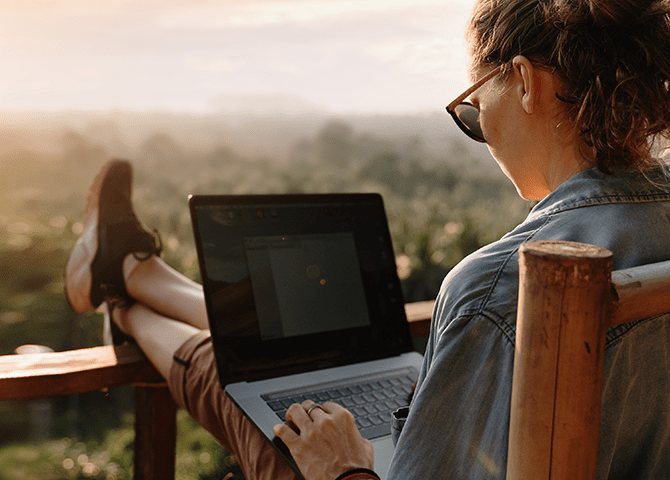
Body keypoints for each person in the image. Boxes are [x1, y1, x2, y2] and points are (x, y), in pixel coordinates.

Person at [64, 0, 670, 477]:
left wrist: (344, 468)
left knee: (238, 385)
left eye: (472, 109)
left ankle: (123, 288)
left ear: (524, 81)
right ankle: (134, 273)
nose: (479, 130)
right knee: (273, 350)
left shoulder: (500, 286)